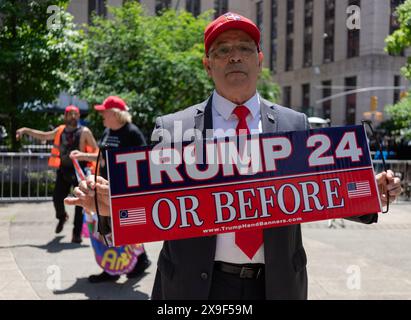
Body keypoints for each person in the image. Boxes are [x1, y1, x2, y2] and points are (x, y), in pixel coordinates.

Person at [65, 13, 403, 299]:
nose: (234, 56)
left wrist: (369, 190)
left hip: (277, 285)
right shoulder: (172, 127)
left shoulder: (293, 123)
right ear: (208, 65)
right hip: (194, 287)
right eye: (222, 50)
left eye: (244, 48)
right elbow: (153, 207)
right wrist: (109, 208)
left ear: (259, 59)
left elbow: (321, 192)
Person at [69, 96, 151, 283]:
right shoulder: (108, 131)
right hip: (106, 189)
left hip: (124, 191)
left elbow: (143, 161)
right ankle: (112, 268)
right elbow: (102, 156)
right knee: (107, 230)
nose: (101, 115)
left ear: (115, 114)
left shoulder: (132, 133)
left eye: (104, 112)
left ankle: (139, 261)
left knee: (126, 229)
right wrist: (83, 155)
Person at [16, 105, 98, 243]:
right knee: (57, 198)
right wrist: (25, 130)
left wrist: (84, 157)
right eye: (70, 114)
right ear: (65, 116)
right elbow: (43, 135)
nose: (73, 116)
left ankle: (76, 234)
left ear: (79, 116)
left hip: (79, 171)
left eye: (75, 114)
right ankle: (62, 217)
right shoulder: (60, 130)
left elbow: (96, 151)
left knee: (80, 203)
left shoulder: (85, 132)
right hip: (64, 170)